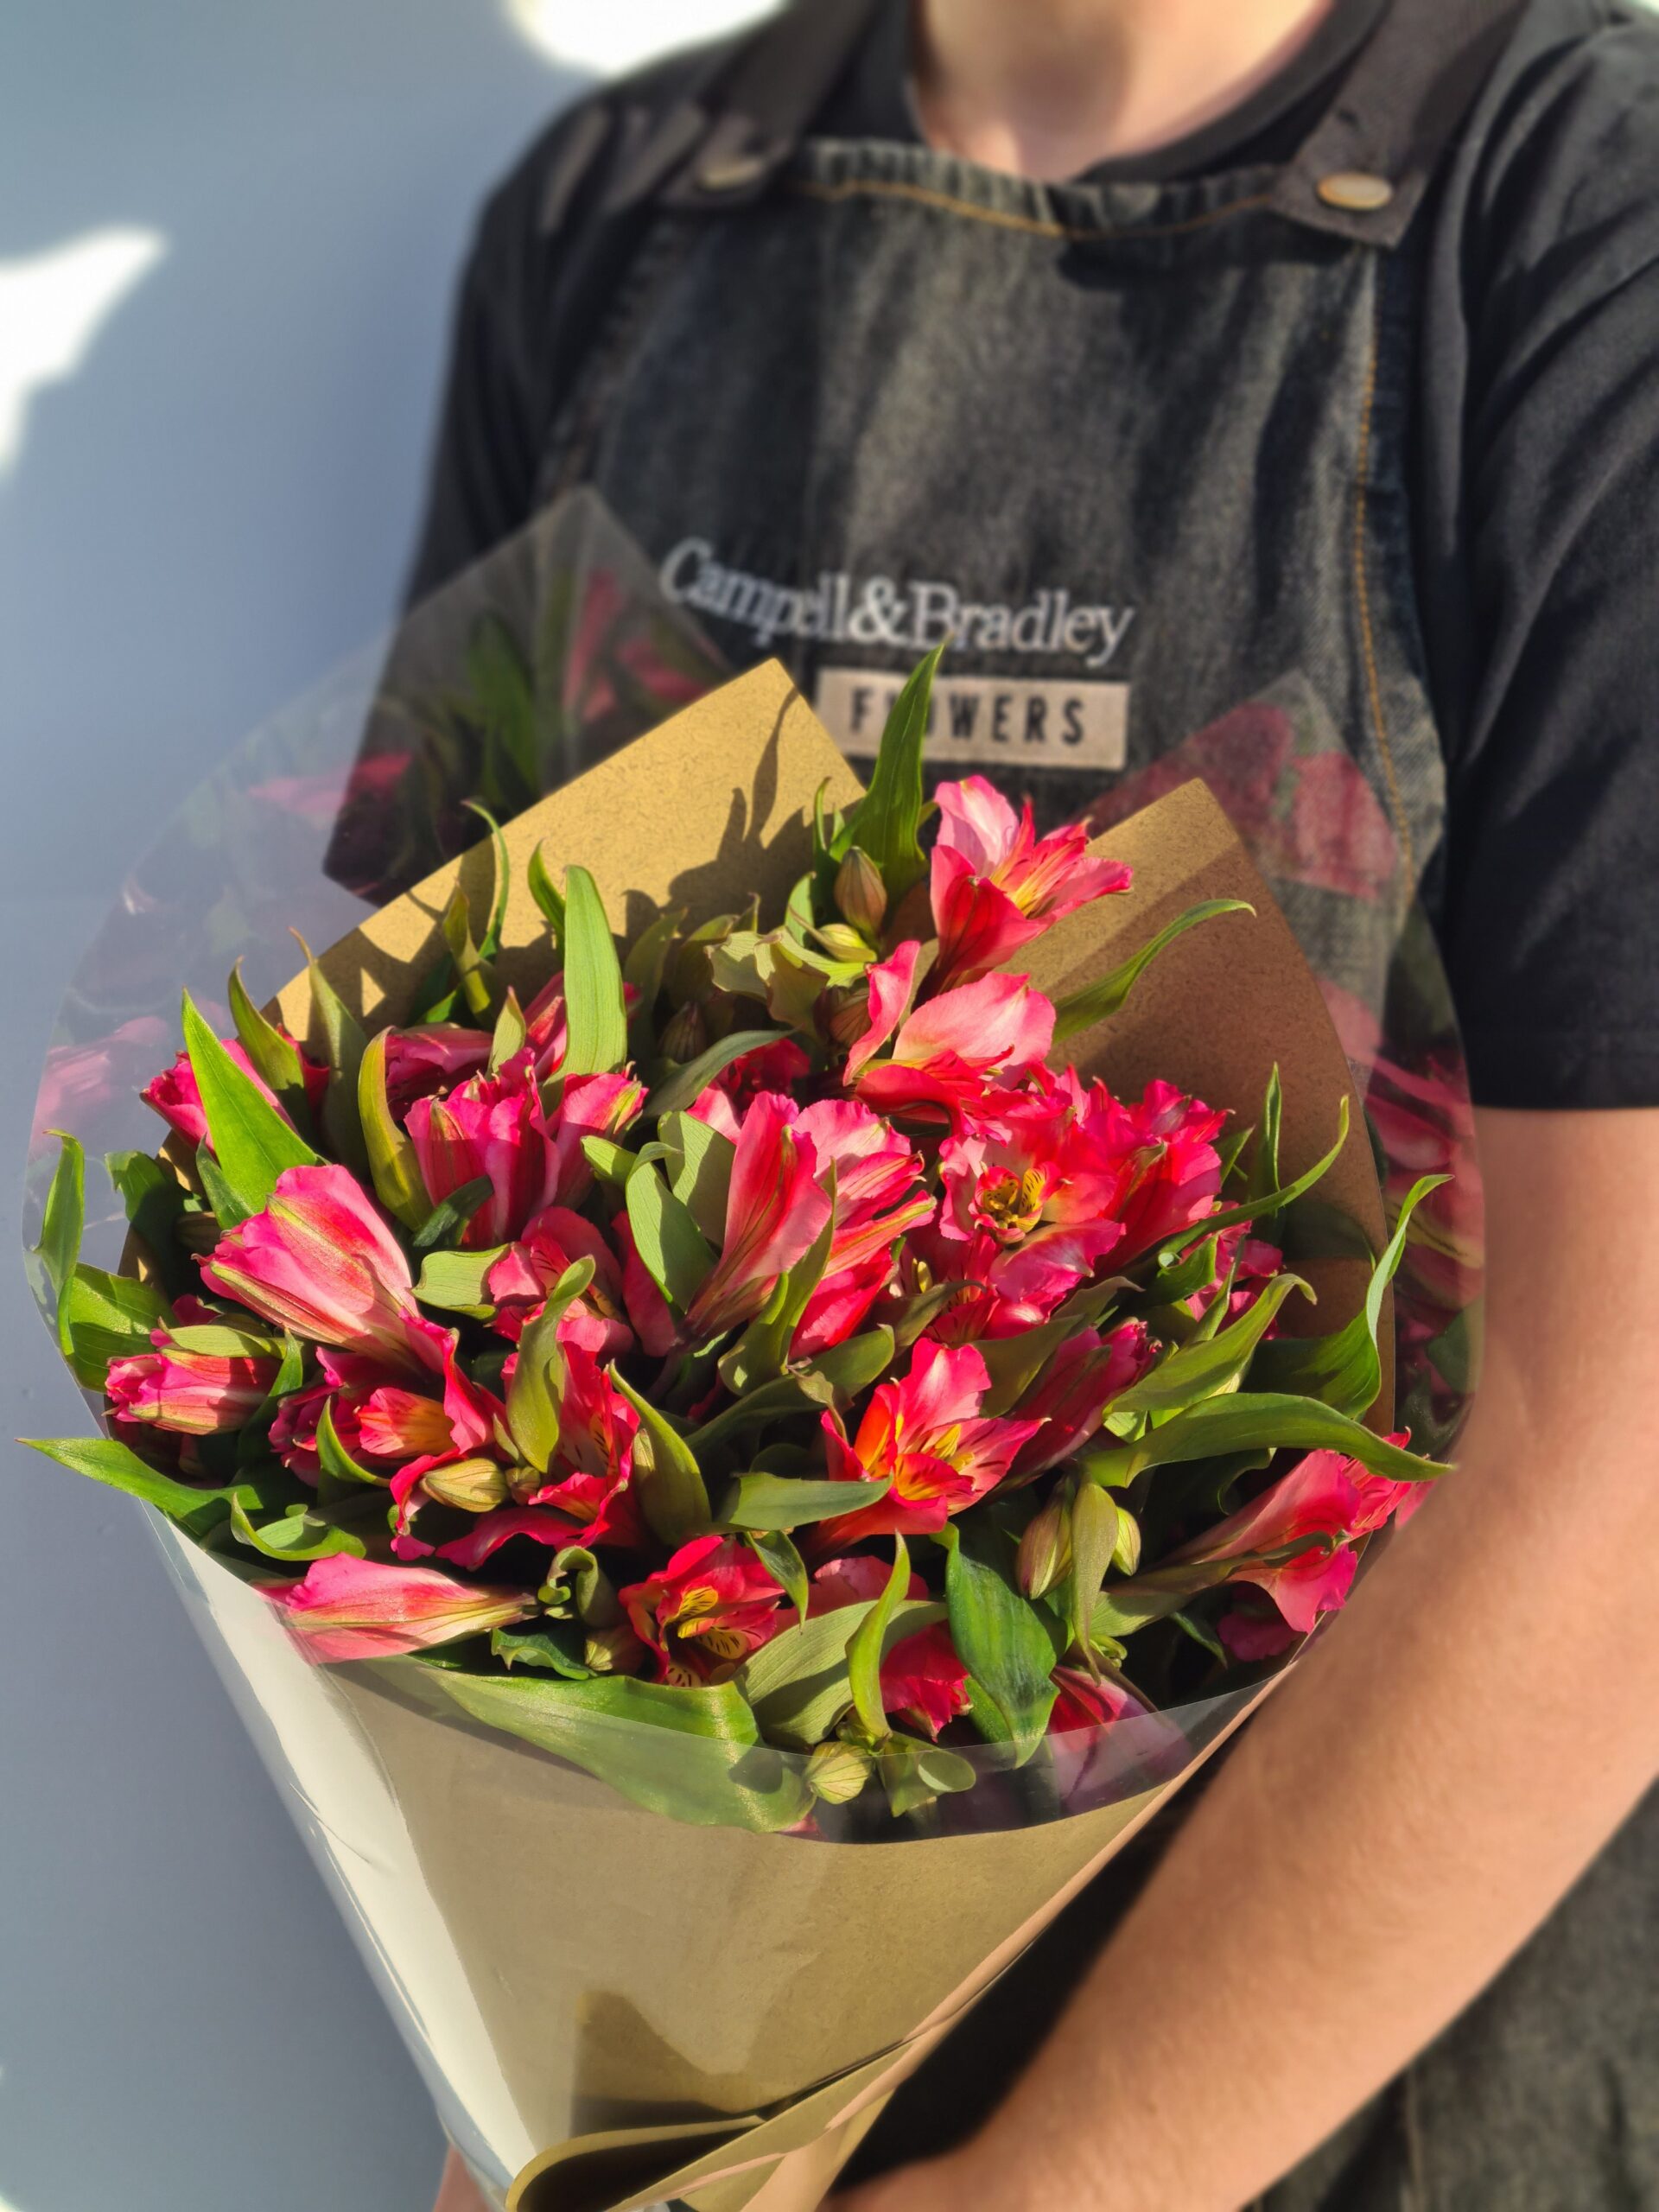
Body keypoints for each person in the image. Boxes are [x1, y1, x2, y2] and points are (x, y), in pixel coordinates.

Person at [418, 1, 1659, 2204]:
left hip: (1334, 2102)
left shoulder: (1581, 219)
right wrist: (533, 2088)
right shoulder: (616, 214)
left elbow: (1622, 1448)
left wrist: (1046, 2184)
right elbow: (440, 1218)